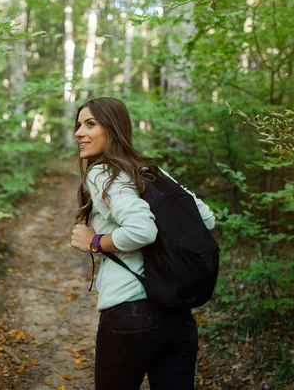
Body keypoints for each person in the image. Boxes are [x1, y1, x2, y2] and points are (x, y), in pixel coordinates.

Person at [70, 97, 215, 390]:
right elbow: (206, 217)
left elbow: (142, 231)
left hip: (129, 316)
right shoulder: (151, 171)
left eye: (90, 124)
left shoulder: (102, 172)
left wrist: (95, 242)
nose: (78, 133)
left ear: (113, 128)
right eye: (78, 125)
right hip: (178, 319)